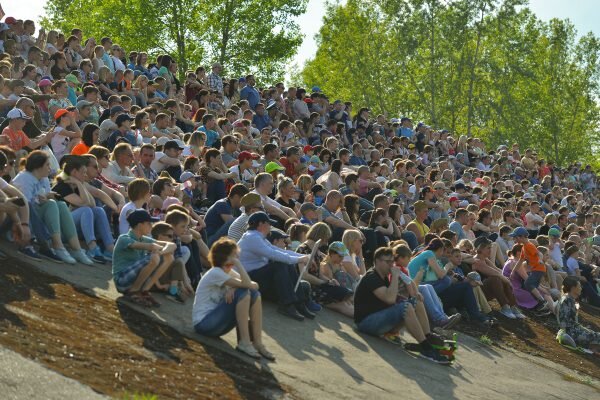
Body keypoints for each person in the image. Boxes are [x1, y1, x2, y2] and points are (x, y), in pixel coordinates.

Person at [354, 247, 450, 364]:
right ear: (378, 261)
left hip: (379, 319)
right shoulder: (371, 277)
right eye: (388, 262)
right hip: (366, 323)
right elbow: (390, 299)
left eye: (392, 262)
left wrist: (413, 295)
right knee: (406, 307)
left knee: (416, 301)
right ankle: (426, 348)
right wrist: (395, 276)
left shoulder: (383, 277)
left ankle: (427, 337)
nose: (391, 265)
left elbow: (396, 295)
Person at [192, 237, 274, 360]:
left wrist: (233, 288)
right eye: (235, 255)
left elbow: (255, 286)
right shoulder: (216, 272)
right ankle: (245, 343)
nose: (237, 257)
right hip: (204, 324)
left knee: (255, 295)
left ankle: (257, 343)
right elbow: (246, 285)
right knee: (244, 292)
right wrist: (238, 265)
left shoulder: (228, 272)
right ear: (225, 256)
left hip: (217, 325)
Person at [12, 150, 93, 265]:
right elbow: (25, 205)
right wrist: (45, 199)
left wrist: (47, 197)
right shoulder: (25, 178)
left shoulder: (44, 178)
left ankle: (76, 249)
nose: (50, 168)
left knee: (61, 204)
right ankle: (57, 246)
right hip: (21, 219)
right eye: (47, 165)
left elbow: (43, 197)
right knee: (51, 204)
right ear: (38, 166)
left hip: (36, 215)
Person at [237, 211, 312, 321]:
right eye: (269, 224)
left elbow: (277, 250)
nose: (270, 227)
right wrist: (299, 259)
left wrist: (304, 256)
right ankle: (287, 305)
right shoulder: (252, 237)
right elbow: (274, 255)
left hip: (255, 276)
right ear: (261, 224)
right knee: (280, 264)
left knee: (286, 263)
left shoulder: (257, 237)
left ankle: (299, 302)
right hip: (248, 279)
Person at [112, 209, 176, 307]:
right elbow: (142, 246)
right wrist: (156, 250)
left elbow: (172, 245)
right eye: (148, 223)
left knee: (169, 257)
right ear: (139, 225)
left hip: (132, 279)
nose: (151, 226)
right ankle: (134, 291)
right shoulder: (123, 238)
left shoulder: (143, 238)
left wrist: (162, 252)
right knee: (153, 257)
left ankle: (144, 290)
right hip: (122, 281)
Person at [509, 226, 551, 313]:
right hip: (536, 269)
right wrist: (513, 272)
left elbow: (539, 253)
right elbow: (520, 260)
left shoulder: (529, 245)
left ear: (522, 237)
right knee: (529, 285)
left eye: (515, 237)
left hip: (539, 268)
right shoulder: (524, 247)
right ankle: (541, 305)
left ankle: (542, 302)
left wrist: (539, 260)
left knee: (528, 283)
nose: (514, 239)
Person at [556, 276, 600, 351]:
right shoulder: (567, 300)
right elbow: (564, 323)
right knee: (596, 337)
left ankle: (594, 348)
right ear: (573, 288)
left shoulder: (570, 299)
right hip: (571, 333)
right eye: (579, 286)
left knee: (595, 335)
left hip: (574, 330)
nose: (581, 288)